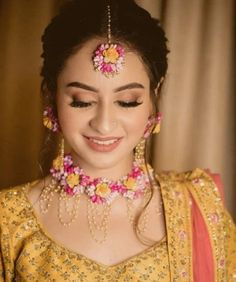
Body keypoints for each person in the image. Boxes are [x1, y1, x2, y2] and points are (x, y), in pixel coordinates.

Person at [0, 0, 235, 281]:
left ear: (152, 99)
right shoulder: (9, 221)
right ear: (51, 95)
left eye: (127, 101)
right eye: (82, 101)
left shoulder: (198, 206)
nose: (104, 123)